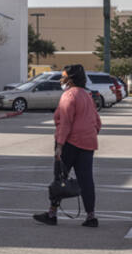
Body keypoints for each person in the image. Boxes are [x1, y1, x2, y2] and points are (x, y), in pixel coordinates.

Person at [33, 64, 100, 227]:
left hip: (70, 143)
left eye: (63, 77)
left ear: (70, 79)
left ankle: (52, 214)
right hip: (88, 142)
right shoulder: (87, 95)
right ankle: (91, 216)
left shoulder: (69, 95)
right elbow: (97, 122)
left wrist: (60, 145)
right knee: (86, 180)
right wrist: (90, 134)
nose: (61, 80)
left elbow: (65, 123)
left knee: (60, 179)